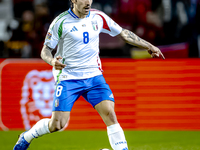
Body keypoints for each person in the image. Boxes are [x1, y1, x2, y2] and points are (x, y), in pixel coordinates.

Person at [13, 0, 165, 150]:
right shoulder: (60, 22)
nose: (88, 3)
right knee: (57, 125)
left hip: (93, 76)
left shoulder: (98, 17)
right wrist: (52, 61)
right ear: (73, 0)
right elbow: (45, 50)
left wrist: (149, 46)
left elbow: (123, 33)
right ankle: (26, 137)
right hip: (68, 77)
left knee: (110, 114)